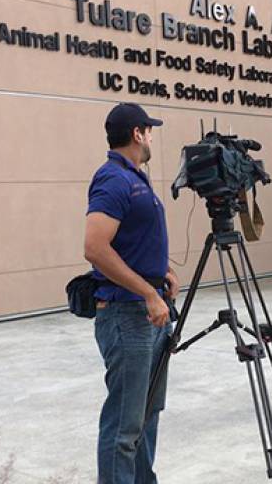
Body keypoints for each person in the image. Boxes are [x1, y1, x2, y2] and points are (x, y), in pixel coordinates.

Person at [83, 102, 181, 484]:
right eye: (149, 129)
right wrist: (148, 293)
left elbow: (132, 242)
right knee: (124, 426)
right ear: (138, 133)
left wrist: (163, 273)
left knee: (148, 414)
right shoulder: (113, 178)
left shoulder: (134, 176)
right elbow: (95, 247)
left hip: (149, 313)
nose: (152, 135)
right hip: (129, 318)